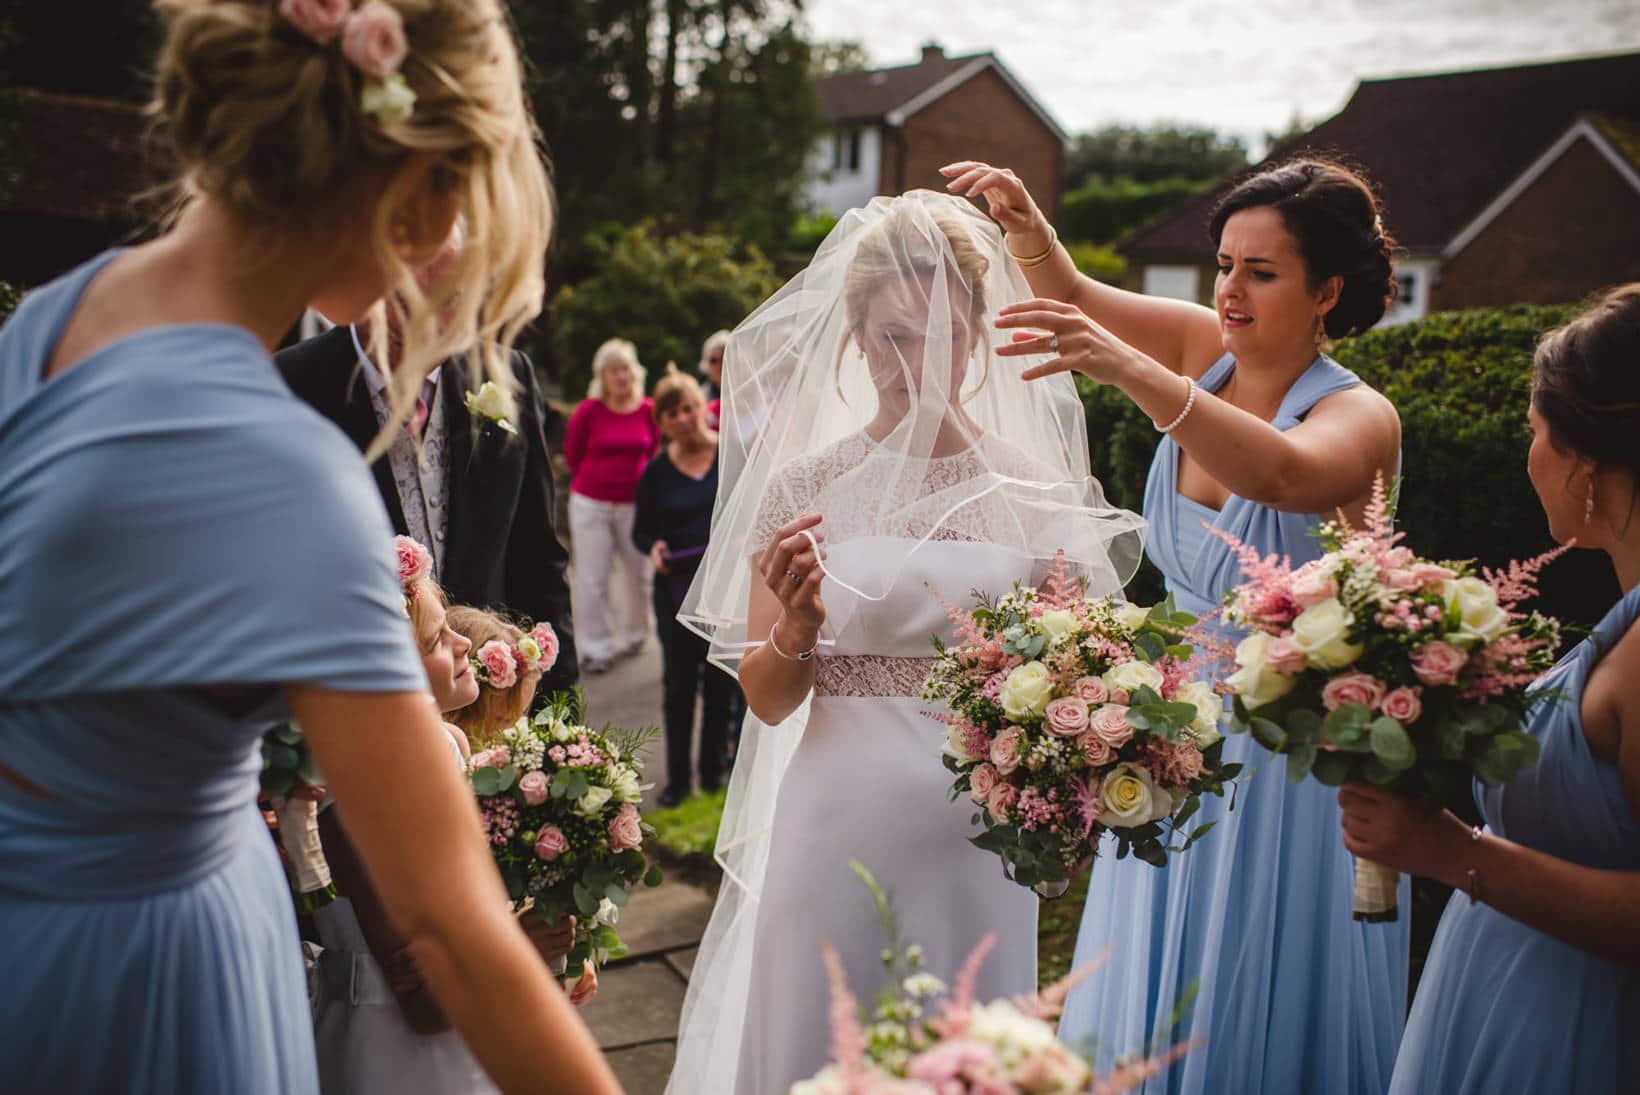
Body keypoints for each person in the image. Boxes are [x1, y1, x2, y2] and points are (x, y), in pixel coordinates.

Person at [0, 1, 618, 1092]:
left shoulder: (54, 317)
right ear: (412, 181)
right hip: (155, 975)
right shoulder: (285, 468)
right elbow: (455, 935)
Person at [942, 157, 1406, 1093]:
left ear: (1329, 292)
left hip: (1291, 759)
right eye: (1224, 265)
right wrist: (1029, 225)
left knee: (1252, 977)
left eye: (1261, 272)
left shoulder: (1359, 415)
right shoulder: (1208, 353)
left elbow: (1280, 474)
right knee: (1155, 968)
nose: (1229, 290)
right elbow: (1069, 293)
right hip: (1171, 740)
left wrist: (1126, 367)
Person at [666, 191, 1145, 1094]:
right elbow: (766, 696)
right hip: (834, 819)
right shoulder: (808, 489)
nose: (915, 362)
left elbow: (1088, 672)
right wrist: (800, 631)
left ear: (975, 336)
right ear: (853, 336)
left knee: (971, 1054)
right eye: (890, 337)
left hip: (981, 837)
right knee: (823, 1041)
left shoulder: (1034, 488)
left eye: (937, 336)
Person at [1338, 285, 1640, 1094]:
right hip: (1504, 998)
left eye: (1534, 432)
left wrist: (1447, 849)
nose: (1527, 454)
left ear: (1585, 460)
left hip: (1576, 1033)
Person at [313, 541, 589, 1094]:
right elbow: (420, 1004)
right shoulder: (358, 800)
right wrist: (522, 947)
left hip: (477, 1025)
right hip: (402, 1057)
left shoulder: (448, 743)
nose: (463, 641)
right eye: (439, 638)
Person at [277, 234, 579, 697]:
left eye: (456, 295)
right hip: (361, 696)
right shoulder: (292, 385)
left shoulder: (507, 375)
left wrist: (559, 714)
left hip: (493, 697)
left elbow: (538, 558)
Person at [632, 366, 735, 807]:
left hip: (723, 588)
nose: (683, 418)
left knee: (719, 684)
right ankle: (677, 782)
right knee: (678, 686)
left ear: (702, 408)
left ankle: (713, 775)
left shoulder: (731, 456)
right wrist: (652, 547)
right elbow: (640, 531)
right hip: (674, 590)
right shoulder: (655, 473)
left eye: (689, 408)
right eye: (672, 413)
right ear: (662, 423)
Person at [564, 338, 660, 673]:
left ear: (635, 373)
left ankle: (636, 633)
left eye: (625, 369)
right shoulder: (589, 411)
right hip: (591, 503)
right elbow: (573, 455)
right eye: (613, 370)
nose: (620, 376)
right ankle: (596, 647)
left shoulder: (648, 409)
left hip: (635, 505)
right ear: (602, 376)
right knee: (593, 577)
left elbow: (654, 453)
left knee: (639, 574)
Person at [699, 328, 730, 429]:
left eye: (724, 358)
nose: (719, 365)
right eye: (713, 360)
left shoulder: (751, 393)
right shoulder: (700, 397)